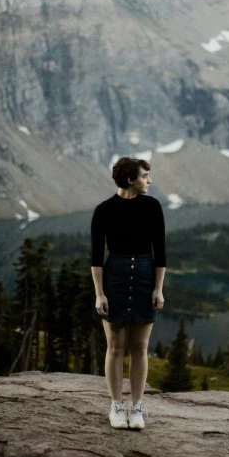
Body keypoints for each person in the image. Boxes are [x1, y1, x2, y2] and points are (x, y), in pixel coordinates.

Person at [90, 156, 166, 430]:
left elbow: (161, 253)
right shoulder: (104, 210)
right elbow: (96, 258)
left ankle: (137, 408)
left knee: (140, 348)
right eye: (145, 175)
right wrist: (100, 294)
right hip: (115, 280)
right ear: (130, 179)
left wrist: (158, 288)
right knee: (115, 347)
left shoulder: (153, 207)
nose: (149, 180)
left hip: (146, 278)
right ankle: (116, 407)